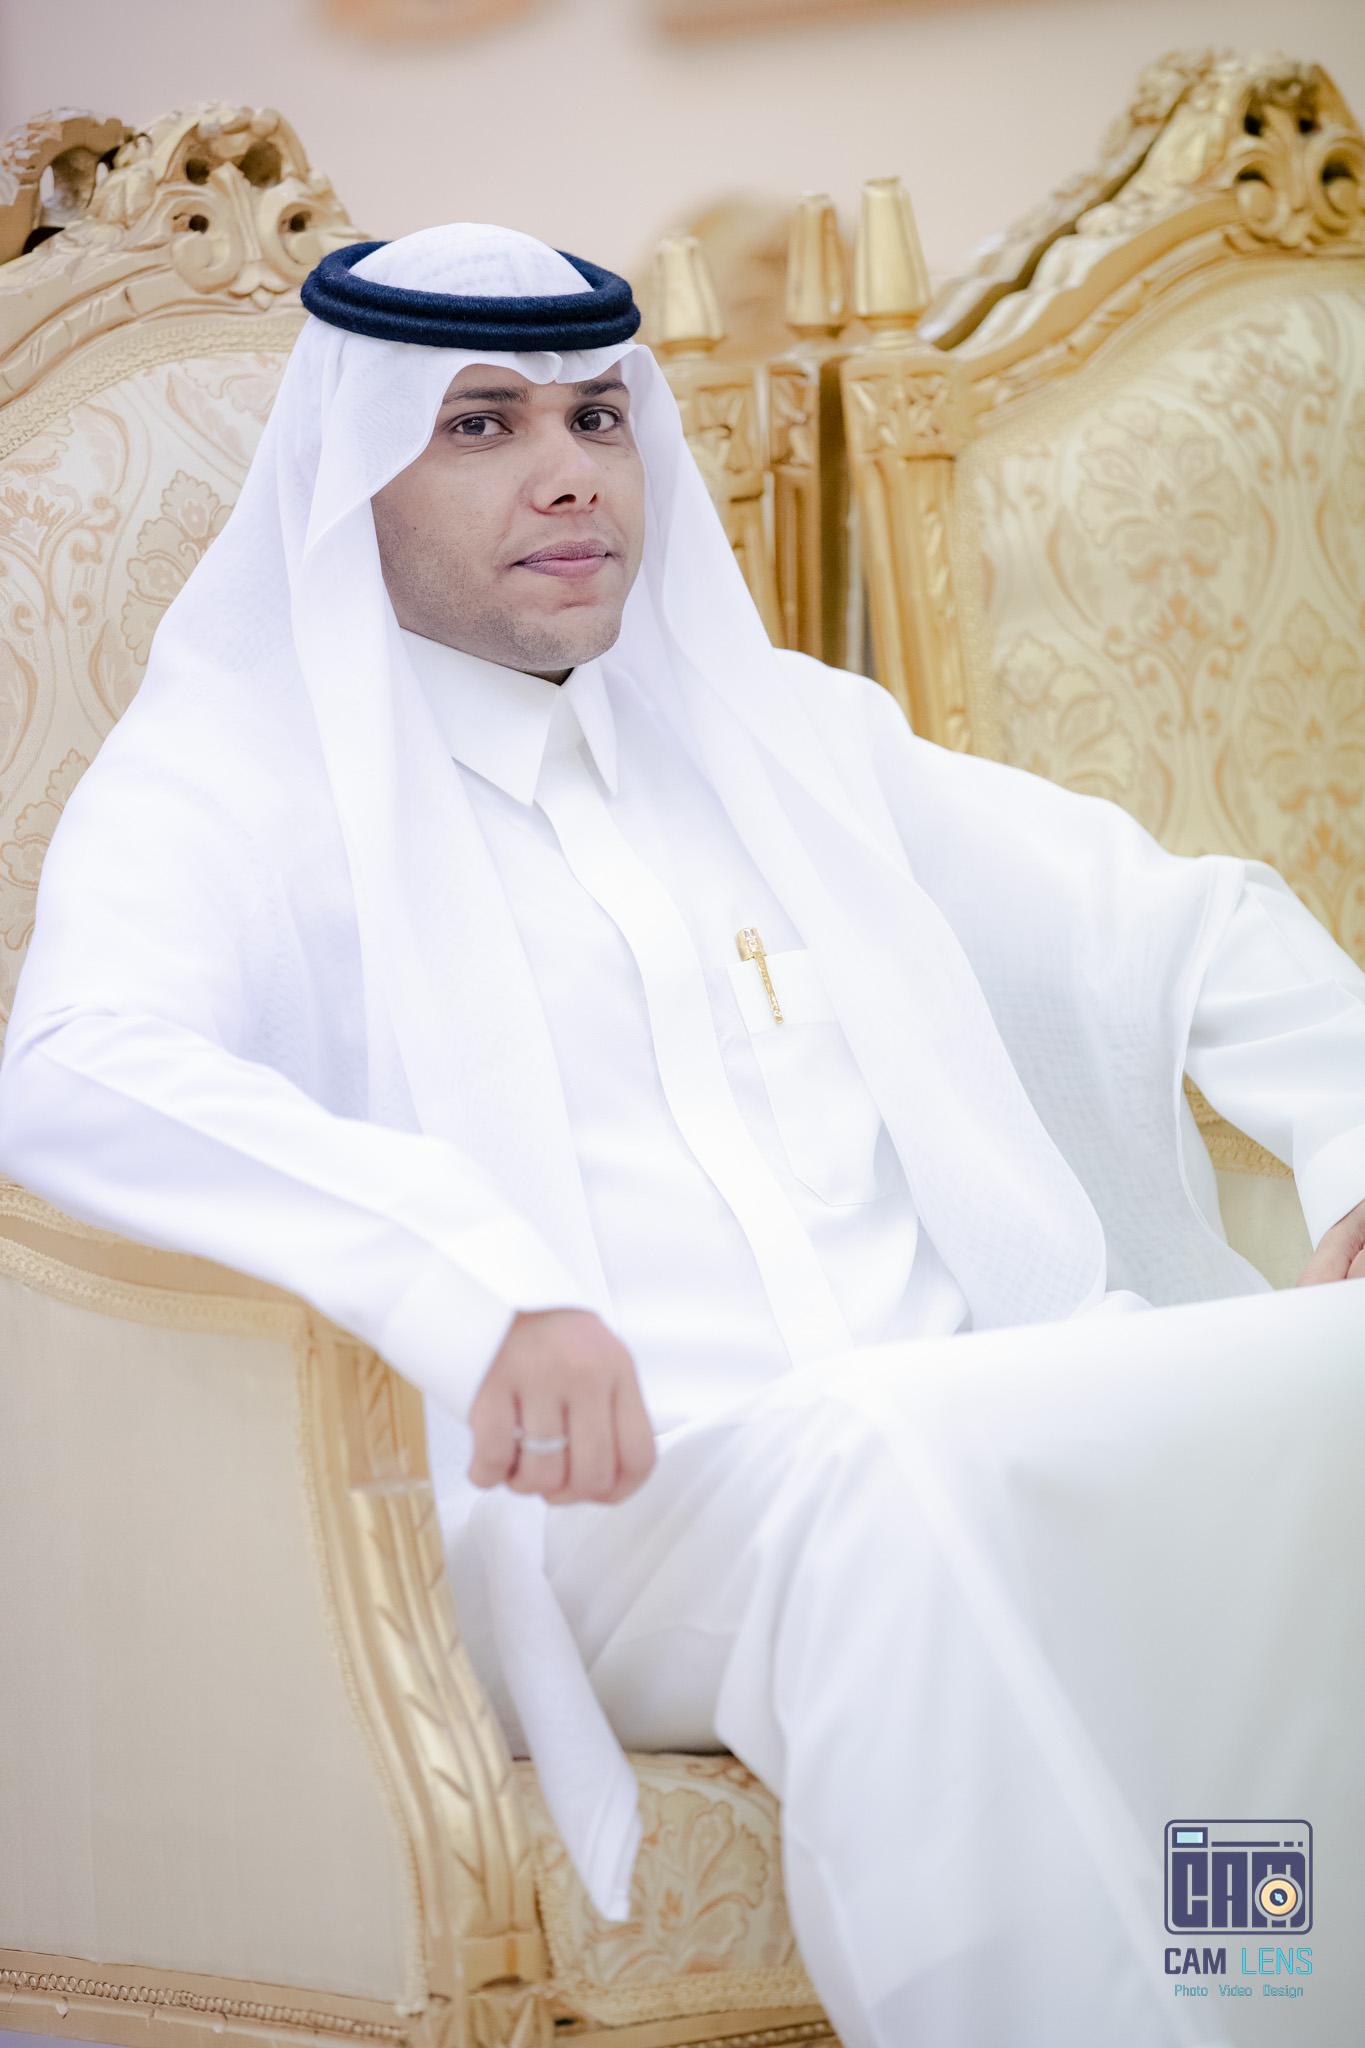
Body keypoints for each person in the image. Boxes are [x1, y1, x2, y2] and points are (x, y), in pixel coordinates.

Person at [1, 224, 1363, 2048]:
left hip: (951, 1419)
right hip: (605, 1515)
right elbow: (79, 1068)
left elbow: (1179, 924)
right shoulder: (235, 784)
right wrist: (472, 1280)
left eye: (594, 416)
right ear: (356, 470)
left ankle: (1275, 1999)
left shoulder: (780, 733)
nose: (567, 470)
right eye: (479, 425)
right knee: (890, 1463)